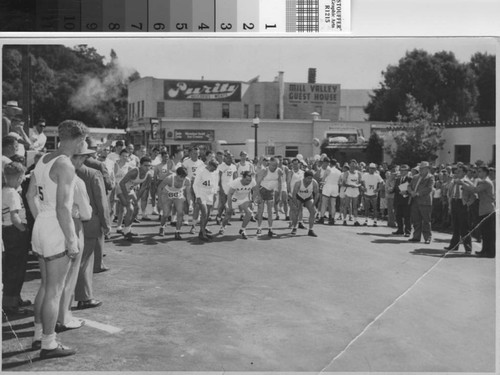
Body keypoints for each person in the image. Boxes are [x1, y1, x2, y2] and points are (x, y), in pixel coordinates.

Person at [26, 119, 89, 359]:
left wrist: (41, 219)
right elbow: (64, 208)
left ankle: (37, 334)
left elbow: (30, 195)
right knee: (54, 289)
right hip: (55, 225)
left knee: (45, 285)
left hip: (42, 223)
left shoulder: (43, 159)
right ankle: (49, 344)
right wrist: (72, 240)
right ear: (79, 140)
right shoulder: (65, 165)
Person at [74, 142, 111, 308]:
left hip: (66, 221)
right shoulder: (93, 173)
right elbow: (101, 202)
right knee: (84, 261)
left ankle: (74, 296)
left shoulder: (60, 171)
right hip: (89, 222)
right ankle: (84, 297)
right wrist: (106, 224)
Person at [2, 162, 31, 315]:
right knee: (16, 268)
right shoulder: (12, 193)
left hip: (8, 231)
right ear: (19, 177)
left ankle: (15, 298)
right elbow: (14, 217)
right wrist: (24, 230)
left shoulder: (5, 190)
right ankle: (10, 303)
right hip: (15, 231)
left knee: (14, 266)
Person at [460, 166, 495, 258]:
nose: (477, 173)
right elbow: (474, 187)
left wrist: (463, 184)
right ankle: (485, 250)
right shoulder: (482, 181)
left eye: (479, 172)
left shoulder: (486, 182)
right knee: (484, 232)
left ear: (484, 172)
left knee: (489, 233)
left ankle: (490, 252)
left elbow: (475, 190)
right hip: (484, 209)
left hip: (488, 209)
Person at [117, 156, 154, 240]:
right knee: (130, 209)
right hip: (120, 189)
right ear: (140, 165)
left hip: (130, 190)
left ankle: (127, 229)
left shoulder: (149, 175)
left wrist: (136, 200)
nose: (147, 168)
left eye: (149, 166)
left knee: (136, 209)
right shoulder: (134, 172)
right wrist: (127, 198)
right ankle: (126, 232)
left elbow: (142, 189)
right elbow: (121, 183)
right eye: (145, 165)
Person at [444, 164, 475, 254]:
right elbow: (449, 191)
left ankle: (468, 248)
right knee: (455, 225)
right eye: (457, 171)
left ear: (464, 173)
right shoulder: (454, 181)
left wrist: (467, 204)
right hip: (454, 201)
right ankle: (454, 245)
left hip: (462, 203)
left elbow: (473, 195)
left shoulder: (467, 181)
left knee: (464, 227)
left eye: (460, 171)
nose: (457, 172)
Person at [218, 171, 257, 239]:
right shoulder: (236, 182)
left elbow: (255, 190)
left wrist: (252, 200)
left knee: (249, 213)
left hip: (244, 199)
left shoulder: (252, 181)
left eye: (250, 180)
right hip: (234, 199)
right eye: (247, 180)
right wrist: (230, 206)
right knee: (227, 216)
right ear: (242, 178)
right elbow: (229, 194)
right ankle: (223, 227)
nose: (248, 182)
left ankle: (243, 230)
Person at [157, 166, 191, 239]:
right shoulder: (169, 179)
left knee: (180, 213)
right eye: (181, 176)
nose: (183, 179)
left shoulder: (187, 180)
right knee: (166, 214)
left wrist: (189, 203)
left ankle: (177, 231)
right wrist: (159, 201)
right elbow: (159, 188)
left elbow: (188, 193)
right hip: (166, 194)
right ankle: (162, 227)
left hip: (178, 194)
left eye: (184, 176)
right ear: (176, 174)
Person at [407, 161, 435, 244]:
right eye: (420, 168)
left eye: (423, 168)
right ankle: (416, 237)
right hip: (415, 200)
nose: (421, 170)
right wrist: (411, 191)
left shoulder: (430, 177)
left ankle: (427, 237)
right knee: (416, 220)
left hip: (425, 201)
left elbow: (429, 188)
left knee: (426, 220)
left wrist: (417, 193)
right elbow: (409, 186)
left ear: (427, 169)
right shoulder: (415, 177)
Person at [255, 157, 283, 237]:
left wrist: (279, 195)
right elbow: (257, 184)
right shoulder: (264, 171)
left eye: (276, 165)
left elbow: (280, 183)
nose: (274, 167)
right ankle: (259, 228)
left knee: (270, 212)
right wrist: (259, 196)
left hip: (271, 192)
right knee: (260, 211)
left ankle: (270, 229)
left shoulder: (279, 171)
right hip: (262, 190)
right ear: (269, 164)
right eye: (273, 165)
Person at [192, 160, 219, 241]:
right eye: (213, 168)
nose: (214, 170)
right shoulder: (201, 171)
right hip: (201, 194)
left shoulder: (215, 172)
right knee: (204, 212)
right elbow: (195, 184)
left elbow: (215, 183)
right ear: (209, 165)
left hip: (210, 194)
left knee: (208, 215)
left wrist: (214, 193)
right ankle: (203, 233)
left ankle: (202, 231)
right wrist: (198, 196)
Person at [290, 170, 319, 237]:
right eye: (308, 178)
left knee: (313, 211)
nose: (310, 180)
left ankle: (311, 230)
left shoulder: (314, 183)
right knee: (296, 211)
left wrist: (314, 204)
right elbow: (294, 195)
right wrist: (296, 205)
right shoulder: (298, 183)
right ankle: (294, 228)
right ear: (304, 177)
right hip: (299, 196)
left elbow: (317, 194)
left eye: (311, 178)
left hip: (308, 197)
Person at [183, 147, 205, 231]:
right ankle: (186, 219)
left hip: (198, 185)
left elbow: (203, 173)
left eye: (197, 153)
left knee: (197, 202)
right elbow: (183, 172)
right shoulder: (186, 162)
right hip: (188, 183)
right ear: (190, 154)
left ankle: (196, 219)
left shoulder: (201, 163)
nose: (196, 155)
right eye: (194, 153)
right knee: (186, 201)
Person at [215, 153, 238, 224]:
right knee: (222, 204)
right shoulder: (221, 166)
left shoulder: (234, 166)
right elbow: (219, 178)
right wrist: (220, 188)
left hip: (230, 188)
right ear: (225, 158)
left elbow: (235, 177)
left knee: (229, 205)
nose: (230, 160)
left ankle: (226, 219)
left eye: (231, 158)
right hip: (223, 187)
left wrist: (235, 187)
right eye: (228, 158)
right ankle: (218, 217)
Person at [318, 157, 341, 225]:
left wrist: (321, 185)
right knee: (333, 204)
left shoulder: (328, 169)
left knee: (324, 203)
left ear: (330, 163)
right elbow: (339, 182)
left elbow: (323, 179)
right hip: (335, 186)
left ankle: (322, 218)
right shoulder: (339, 171)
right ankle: (332, 219)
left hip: (328, 185)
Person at [114, 149, 132, 234]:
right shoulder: (115, 164)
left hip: (123, 189)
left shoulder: (129, 166)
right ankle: (108, 228)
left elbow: (132, 178)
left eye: (127, 156)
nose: (125, 158)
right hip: (114, 189)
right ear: (120, 156)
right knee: (112, 209)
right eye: (123, 156)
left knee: (122, 208)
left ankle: (119, 226)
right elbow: (112, 177)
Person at [393, 164, 412, 236]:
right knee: (398, 216)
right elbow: (396, 189)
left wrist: (406, 192)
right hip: (398, 200)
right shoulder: (398, 179)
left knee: (407, 216)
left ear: (407, 171)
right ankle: (400, 229)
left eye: (403, 170)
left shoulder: (410, 179)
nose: (401, 172)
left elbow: (411, 189)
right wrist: (391, 190)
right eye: (401, 170)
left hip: (406, 200)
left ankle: (408, 231)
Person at [342, 159, 363, 226]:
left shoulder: (359, 173)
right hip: (348, 190)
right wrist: (350, 185)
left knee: (355, 206)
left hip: (355, 191)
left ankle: (355, 221)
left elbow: (360, 183)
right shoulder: (347, 173)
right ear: (349, 165)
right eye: (351, 165)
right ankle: (344, 220)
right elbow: (343, 183)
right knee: (346, 206)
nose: (352, 166)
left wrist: (357, 185)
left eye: (354, 165)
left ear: (356, 165)